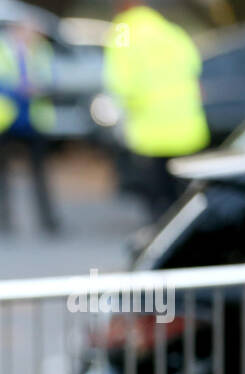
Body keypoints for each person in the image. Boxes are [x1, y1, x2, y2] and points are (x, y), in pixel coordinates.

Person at [103, 2, 209, 218]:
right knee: (184, 200)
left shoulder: (123, 32)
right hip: (187, 129)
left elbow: (120, 82)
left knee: (158, 204)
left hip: (150, 133)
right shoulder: (171, 30)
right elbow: (194, 69)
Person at [0, 20, 61, 234]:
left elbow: (52, 79)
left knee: (39, 174)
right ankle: (3, 221)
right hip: (6, 120)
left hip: (33, 120)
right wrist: (17, 90)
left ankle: (48, 221)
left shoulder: (41, 50)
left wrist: (39, 88)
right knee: (2, 174)